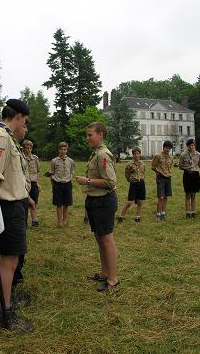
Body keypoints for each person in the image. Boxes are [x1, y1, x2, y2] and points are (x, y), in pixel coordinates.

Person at [0, 99, 33, 331]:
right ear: (16, 117)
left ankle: (9, 302)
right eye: (24, 121)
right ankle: (5, 314)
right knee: (9, 259)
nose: (24, 125)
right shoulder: (2, 137)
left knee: (13, 258)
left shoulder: (9, 139)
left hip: (15, 205)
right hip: (6, 207)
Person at [76, 122, 119, 292]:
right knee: (100, 239)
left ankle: (113, 280)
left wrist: (87, 181)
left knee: (107, 240)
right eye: (87, 135)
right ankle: (104, 273)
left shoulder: (103, 155)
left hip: (104, 202)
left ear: (100, 135)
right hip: (94, 201)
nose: (87, 138)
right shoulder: (96, 153)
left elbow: (110, 182)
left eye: (90, 135)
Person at [118, 147, 146, 223]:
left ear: (140, 154)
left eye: (138, 153)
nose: (136, 155)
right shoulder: (129, 164)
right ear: (133, 155)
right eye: (134, 154)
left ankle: (137, 217)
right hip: (133, 183)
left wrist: (142, 179)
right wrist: (129, 180)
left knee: (140, 201)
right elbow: (127, 173)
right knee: (130, 201)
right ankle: (121, 217)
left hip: (141, 183)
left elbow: (143, 173)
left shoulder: (143, 164)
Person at [50, 142, 75, 227]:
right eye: (61, 149)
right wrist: (53, 185)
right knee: (59, 204)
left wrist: (69, 178)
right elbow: (52, 173)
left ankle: (65, 220)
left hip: (67, 184)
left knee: (66, 203)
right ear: (58, 150)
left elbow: (72, 171)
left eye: (65, 149)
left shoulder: (71, 161)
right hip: (58, 184)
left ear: (67, 150)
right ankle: (59, 221)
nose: (63, 151)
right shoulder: (54, 161)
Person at [178, 138, 200, 218]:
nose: (192, 146)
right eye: (190, 145)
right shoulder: (183, 155)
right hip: (187, 175)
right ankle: (188, 212)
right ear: (188, 146)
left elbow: (199, 165)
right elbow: (180, 166)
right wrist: (186, 168)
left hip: (195, 175)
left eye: (193, 145)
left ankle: (193, 212)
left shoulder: (198, 154)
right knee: (187, 194)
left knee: (193, 195)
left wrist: (195, 169)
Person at [151, 140, 173, 221]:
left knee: (166, 196)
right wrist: (159, 172)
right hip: (160, 178)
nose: (167, 149)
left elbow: (170, 166)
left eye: (169, 148)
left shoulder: (171, 157)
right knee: (160, 197)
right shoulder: (158, 156)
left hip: (168, 178)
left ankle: (163, 213)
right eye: (166, 147)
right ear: (163, 147)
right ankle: (158, 214)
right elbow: (153, 167)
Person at [22, 140, 41, 227]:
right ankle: (24, 222)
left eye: (30, 148)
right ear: (24, 148)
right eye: (27, 148)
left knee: (34, 202)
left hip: (33, 183)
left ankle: (34, 220)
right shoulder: (21, 158)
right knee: (25, 203)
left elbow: (38, 171)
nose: (29, 149)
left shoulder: (35, 158)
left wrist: (38, 183)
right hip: (25, 183)